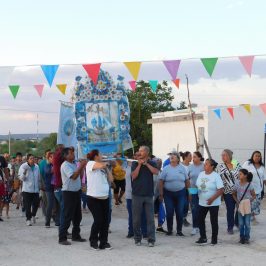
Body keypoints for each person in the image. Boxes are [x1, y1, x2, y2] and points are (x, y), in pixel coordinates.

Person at [58, 147, 87, 245]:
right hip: (68, 193)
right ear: (66, 156)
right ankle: (62, 238)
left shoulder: (74, 164)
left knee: (77, 216)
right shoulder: (65, 165)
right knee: (67, 216)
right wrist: (80, 166)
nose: (73, 155)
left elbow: (80, 176)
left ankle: (76, 235)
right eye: (71, 153)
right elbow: (74, 177)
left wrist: (82, 167)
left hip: (76, 192)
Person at [86, 149, 113, 250]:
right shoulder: (90, 163)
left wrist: (107, 169)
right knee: (98, 220)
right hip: (93, 198)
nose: (102, 155)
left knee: (105, 221)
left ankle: (104, 242)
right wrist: (105, 163)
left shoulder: (103, 167)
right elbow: (101, 165)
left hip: (105, 197)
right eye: (100, 154)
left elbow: (111, 179)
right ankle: (93, 241)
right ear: (96, 156)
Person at [131, 146, 159, 247]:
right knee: (136, 219)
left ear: (147, 152)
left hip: (148, 194)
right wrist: (139, 165)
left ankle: (151, 239)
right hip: (137, 194)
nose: (139, 152)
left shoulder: (152, 163)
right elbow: (133, 176)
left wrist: (146, 164)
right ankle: (137, 238)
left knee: (150, 219)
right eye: (139, 151)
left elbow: (156, 172)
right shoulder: (134, 163)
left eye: (142, 151)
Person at [159, 151, 190, 237]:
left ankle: (179, 231)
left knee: (179, 212)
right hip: (168, 194)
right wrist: (161, 194)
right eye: (170, 156)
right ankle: (169, 230)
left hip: (181, 193)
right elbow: (161, 181)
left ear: (178, 159)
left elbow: (187, 180)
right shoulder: (166, 168)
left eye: (173, 156)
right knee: (169, 212)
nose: (171, 157)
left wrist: (190, 193)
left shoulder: (182, 168)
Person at [196, 159, 224, 245]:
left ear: (212, 166)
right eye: (204, 164)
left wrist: (212, 199)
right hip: (202, 201)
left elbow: (221, 190)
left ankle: (214, 239)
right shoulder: (201, 174)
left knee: (213, 221)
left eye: (207, 164)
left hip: (213, 203)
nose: (204, 165)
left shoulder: (216, 176)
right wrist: (195, 191)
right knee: (200, 219)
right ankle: (203, 237)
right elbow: (198, 186)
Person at [219, 149, 241, 234]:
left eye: (224, 155)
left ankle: (237, 222)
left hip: (238, 190)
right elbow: (220, 179)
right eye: (222, 155)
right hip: (227, 192)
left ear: (229, 156)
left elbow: (241, 175)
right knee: (230, 209)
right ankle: (230, 227)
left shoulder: (236, 163)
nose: (222, 157)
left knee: (239, 208)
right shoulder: (221, 166)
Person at [125, 153, 147, 239]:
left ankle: (144, 232)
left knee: (143, 214)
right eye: (135, 156)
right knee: (131, 214)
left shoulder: (143, 166)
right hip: (129, 194)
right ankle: (131, 231)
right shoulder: (127, 166)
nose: (136, 157)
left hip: (140, 193)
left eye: (138, 156)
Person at [242, 151, 266, 224]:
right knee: (249, 203)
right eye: (256, 156)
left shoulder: (262, 166)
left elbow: (264, 178)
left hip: (258, 189)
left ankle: (251, 216)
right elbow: (242, 173)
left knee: (256, 204)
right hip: (249, 188)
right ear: (252, 156)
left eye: (259, 156)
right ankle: (249, 218)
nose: (257, 157)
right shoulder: (248, 164)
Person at [232, 169, 256, 244]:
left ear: (245, 175)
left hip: (247, 206)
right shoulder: (237, 184)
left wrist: (249, 201)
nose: (239, 175)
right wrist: (237, 201)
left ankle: (247, 237)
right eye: (239, 174)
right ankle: (242, 237)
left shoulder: (249, 184)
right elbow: (233, 193)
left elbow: (254, 195)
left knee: (247, 223)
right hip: (240, 206)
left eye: (240, 174)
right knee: (241, 223)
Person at [18, 154, 41, 226]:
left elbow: (39, 177)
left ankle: (33, 215)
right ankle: (28, 219)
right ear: (27, 160)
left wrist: (40, 186)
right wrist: (25, 172)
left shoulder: (37, 167)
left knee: (36, 204)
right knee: (27, 206)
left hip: (35, 190)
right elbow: (21, 179)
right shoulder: (23, 166)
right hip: (26, 190)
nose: (32, 160)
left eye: (33, 158)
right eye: (31, 158)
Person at [188, 151, 204, 235]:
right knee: (194, 208)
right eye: (192, 157)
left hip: (202, 190)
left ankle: (200, 225)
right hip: (193, 189)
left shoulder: (204, 166)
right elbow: (187, 179)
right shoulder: (190, 167)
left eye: (194, 157)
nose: (193, 159)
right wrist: (189, 190)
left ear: (199, 158)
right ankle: (195, 227)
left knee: (201, 209)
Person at [43, 152, 58, 228]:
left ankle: (56, 220)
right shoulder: (47, 166)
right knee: (50, 204)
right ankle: (47, 222)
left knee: (57, 204)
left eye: (54, 157)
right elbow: (49, 171)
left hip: (56, 187)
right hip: (49, 188)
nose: (53, 158)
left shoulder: (55, 165)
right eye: (51, 157)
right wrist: (56, 165)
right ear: (48, 158)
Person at [153, 158, 167, 233]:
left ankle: (159, 226)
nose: (160, 164)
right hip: (151, 195)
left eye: (161, 163)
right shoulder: (151, 172)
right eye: (158, 163)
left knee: (160, 211)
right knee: (150, 211)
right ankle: (150, 227)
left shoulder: (161, 172)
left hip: (159, 194)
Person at [180, 151, 192, 227]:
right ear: (186, 157)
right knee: (183, 203)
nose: (191, 157)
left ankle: (184, 218)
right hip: (182, 187)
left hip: (191, 187)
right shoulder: (180, 166)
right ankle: (181, 218)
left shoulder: (191, 166)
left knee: (189, 203)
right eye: (190, 156)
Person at [39, 149, 51, 218]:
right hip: (44, 184)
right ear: (45, 155)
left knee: (50, 200)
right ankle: (46, 214)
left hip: (51, 184)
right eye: (48, 154)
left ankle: (51, 214)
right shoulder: (42, 163)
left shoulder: (52, 162)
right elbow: (40, 174)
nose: (49, 155)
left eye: (50, 154)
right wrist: (41, 185)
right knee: (44, 200)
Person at [0, 155, 9, 221]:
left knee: (0, 198)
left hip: (1, 181)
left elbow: (5, 169)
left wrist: (7, 179)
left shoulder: (2, 158)